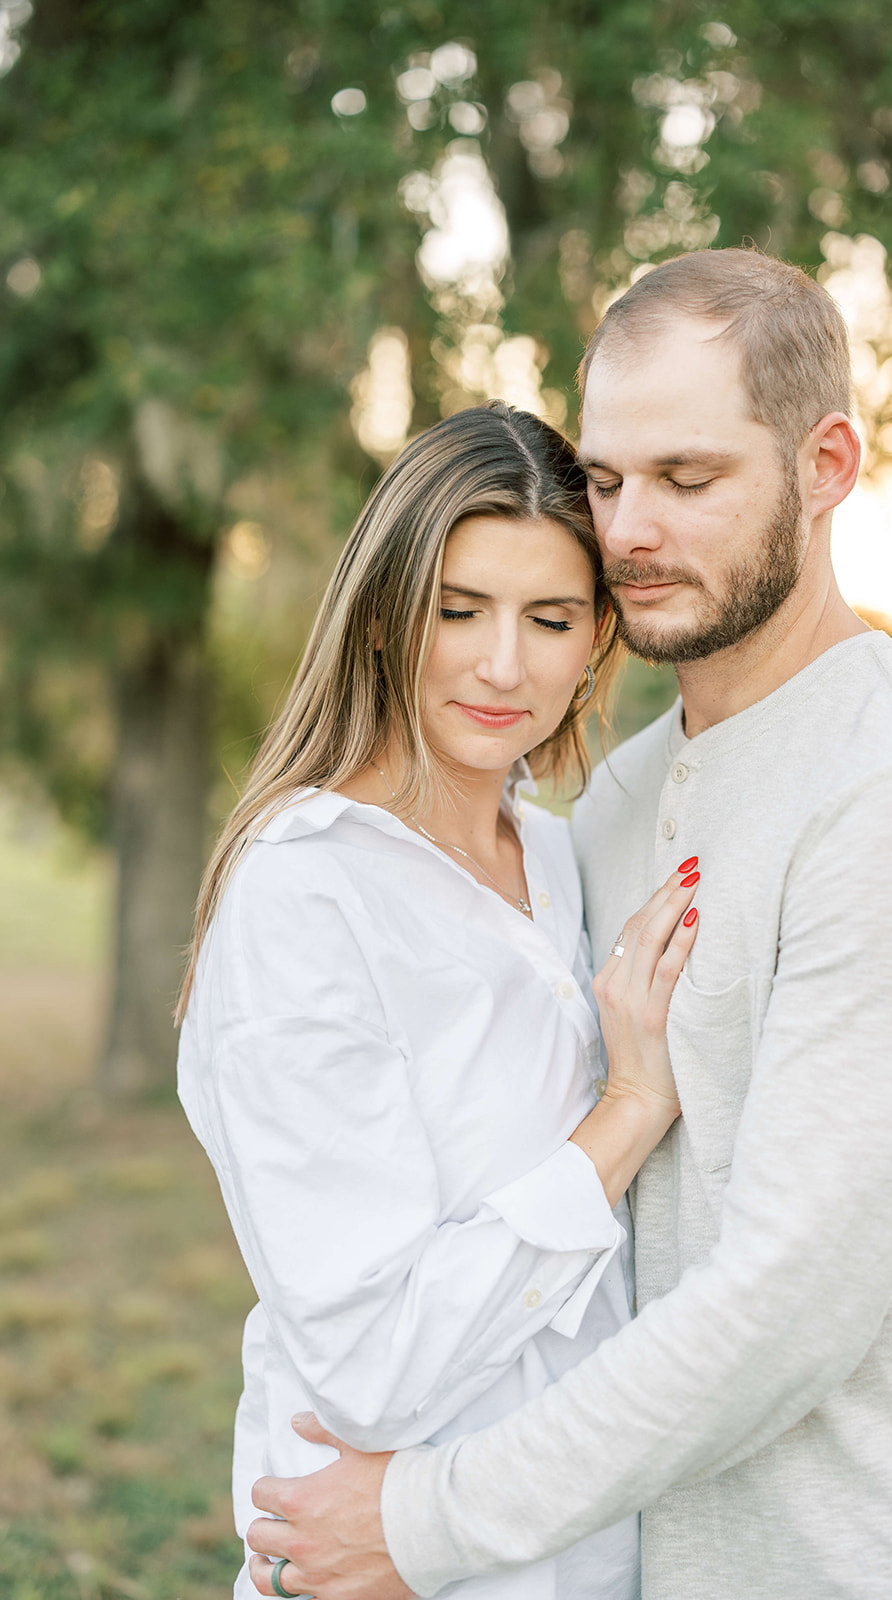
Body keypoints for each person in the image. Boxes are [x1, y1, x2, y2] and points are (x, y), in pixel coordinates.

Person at [246, 248, 892, 1600]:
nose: (628, 530)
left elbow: (789, 1309)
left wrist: (428, 1518)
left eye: (688, 481)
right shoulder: (618, 803)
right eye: (608, 481)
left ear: (825, 467)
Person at [175, 401, 703, 1600]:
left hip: (575, 1544)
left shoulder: (559, 857)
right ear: (380, 614)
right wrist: (623, 1111)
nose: (502, 663)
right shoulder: (308, 893)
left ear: (595, 644)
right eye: (457, 609)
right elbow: (371, 1361)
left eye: (549, 618)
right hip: (391, 1561)